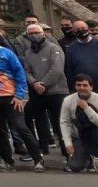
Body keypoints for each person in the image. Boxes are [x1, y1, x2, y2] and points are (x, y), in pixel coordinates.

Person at [0, 27, 45, 171]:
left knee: (20, 127)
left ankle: (38, 158)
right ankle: (8, 161)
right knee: (0, 131)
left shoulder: (6, 53)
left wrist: (19, 95)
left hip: (11, 98)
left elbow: (19, 73)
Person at [21, 22, 68, 155]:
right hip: (38, 93)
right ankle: (39, 148)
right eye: (31, 33)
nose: (34, 35)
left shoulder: (54, 48)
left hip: (57, 92)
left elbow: (57, 69)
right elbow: (27, 71)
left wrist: (43, 84)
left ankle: (67, 152)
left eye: (36, 32)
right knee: (28, 114)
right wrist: (35, 83)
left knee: (59, 123)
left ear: (43, 34)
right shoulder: (28, 53)